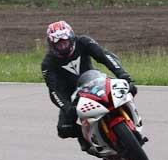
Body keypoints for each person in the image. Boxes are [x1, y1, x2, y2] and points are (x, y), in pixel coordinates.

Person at [41, 20, 137, 148]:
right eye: (58, 44)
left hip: (96, 82)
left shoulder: (83, 42)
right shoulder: (48, 63)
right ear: (52, 45)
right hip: (73, 96)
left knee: (128, 90)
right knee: (65, 129)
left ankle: (132, 120)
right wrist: (67, 107)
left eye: (64, 42)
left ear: (71, 38)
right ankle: (87, 141)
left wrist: (125, 77)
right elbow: (54, 90)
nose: (63, 46)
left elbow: (104, 57)